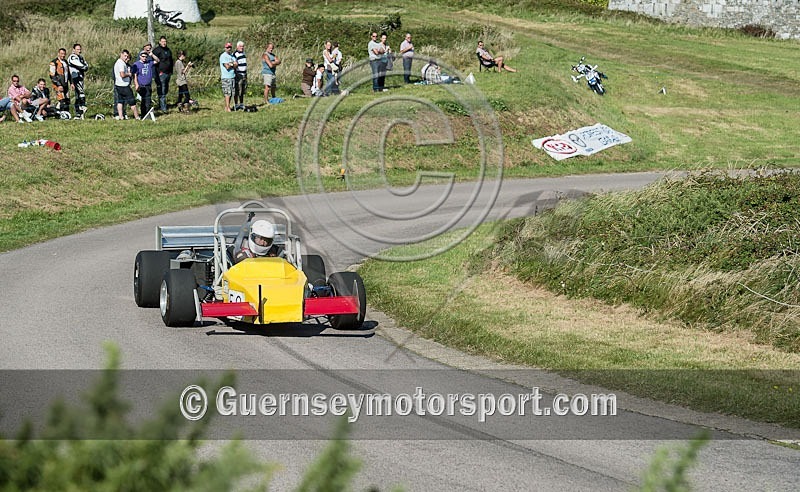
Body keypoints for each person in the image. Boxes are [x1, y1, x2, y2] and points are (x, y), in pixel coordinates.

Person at [114, 49, 139, 120]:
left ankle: (121, 116)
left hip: (118, 85)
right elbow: (122, 75)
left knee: (120, 101)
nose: (126, 58)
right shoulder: (121, 63)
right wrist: (129, 74)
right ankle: (137, 117)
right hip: (124, 85)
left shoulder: (118, 62)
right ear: (121, 54)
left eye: (127, 56)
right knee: (132, 101)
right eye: (125, 56)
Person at [152, 36, 173, 111]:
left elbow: (171, 61)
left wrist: (171, 72)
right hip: (161, 73)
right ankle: (163, 108)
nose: (164, 43)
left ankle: (162, 105)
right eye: (163, 41)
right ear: (160, 42)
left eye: (165, 41)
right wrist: (158, 73)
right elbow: (152, 62)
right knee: (162, 90)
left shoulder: (168, 50)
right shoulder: (157, 50)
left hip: (168, 73)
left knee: (166, 90)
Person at [67, 43, 89, 117]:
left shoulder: (81, 57)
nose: (79, 51)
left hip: (81, 78)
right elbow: (81, 65)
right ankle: (82, 107)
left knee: (78, 96)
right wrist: (84, 66)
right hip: (75, 78)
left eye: (80, 49)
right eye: (77, 49)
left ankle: (79, 113)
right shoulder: (72, 57)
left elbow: (86, 65)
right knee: (81, 94)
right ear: (73, 50)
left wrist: (84, 66)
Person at [132, 50, 155, 117]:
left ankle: (145, 114)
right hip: (141, 85)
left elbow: (157, 61)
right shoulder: (136, 64)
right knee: (145, 100)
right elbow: (135, 75)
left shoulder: (149, 63)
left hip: (148, 85)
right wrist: (136, 84)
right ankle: (145, 114)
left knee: (147, 100)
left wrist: (152, 55)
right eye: (143, 56)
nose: (144, 58)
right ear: (140, 56)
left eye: (145, 56)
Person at [49, 47, 71, 113]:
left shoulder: (66, 62)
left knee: (67, 100)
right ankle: (61, 115)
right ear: (58, 54)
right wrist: (58, 85)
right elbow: (52, 75)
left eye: (64, 54)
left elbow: (68, 73)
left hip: (65, 84)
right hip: (58, 84)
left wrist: (71, 83)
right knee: (61, 100)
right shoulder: (54, 62)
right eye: (61, 54)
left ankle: (66, 114)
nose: (63, 55)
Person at [219, 42, 237, 112]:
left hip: (232, 76)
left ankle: (227, 106)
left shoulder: (232, 56)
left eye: (230, 47)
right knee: (227, 93)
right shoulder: (223, 56)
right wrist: (232, 64)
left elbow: (236, 65)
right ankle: (227, 107)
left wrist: (231, 64)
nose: (229, 49)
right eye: (227, 47)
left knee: (232, 92)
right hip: (226, 77)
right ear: (225, 48)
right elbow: (227, 67)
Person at [233, 41, 247, 110]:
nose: (242, 47)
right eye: (240, 46)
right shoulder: (235, 54)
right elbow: (234, 65)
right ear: (237, 47)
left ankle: (241, 104)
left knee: (243, 90)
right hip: (238, 74)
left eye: (243, 46)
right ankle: (236, 104)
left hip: (244, 74)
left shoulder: (244, 53)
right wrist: (236, 74)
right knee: (237, 90)